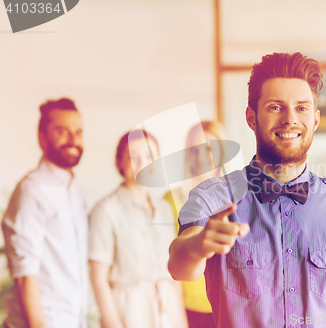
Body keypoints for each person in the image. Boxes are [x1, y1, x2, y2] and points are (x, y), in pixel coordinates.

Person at [168, 52, 326, 328]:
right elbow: (179, 266)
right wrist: (198, 244)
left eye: (301, 108)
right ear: (252, 118)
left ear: (315, 120)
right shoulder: (212, 198)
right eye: (276, 107)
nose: (290, 119)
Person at [2, 98, 88, 328]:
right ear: (42, 137)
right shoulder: (31, 190)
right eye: (62, 131)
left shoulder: (76, 192)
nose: (73, 139)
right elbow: (24, 274)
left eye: (78, 132)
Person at [89, 130, 188, 328]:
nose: (143, 163)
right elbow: (98, 279)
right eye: (133, 157)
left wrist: (182, 320)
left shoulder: (164, 208)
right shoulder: (106, 210)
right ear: (119, 162)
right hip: (131, 313)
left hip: (168, 311)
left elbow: (173, 272)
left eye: (150, 156)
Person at [164, 121, 225, 328]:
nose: (201, 156)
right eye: (195, 150)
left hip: (230, 306)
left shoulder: (240, 198)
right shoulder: (170, 201)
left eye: (209, 149)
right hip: (188, 310)